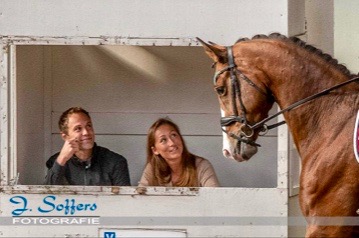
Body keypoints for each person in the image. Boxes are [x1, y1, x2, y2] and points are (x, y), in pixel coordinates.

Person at [44, 107, 131, 186]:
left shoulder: (115, 162)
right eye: (78, 128)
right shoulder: (56, 162)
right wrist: (61, 160)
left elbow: (125, 200)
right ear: (65, 136)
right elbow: (45, 197)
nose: (86, 132)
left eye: (89, 126)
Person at [139, 118, 219, 187]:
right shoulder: (152, 168)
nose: (172, 143)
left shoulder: (201, 165)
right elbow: (139, 198)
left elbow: (215, 198)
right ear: (155, 150)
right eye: (163, 140)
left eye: (173, 135)